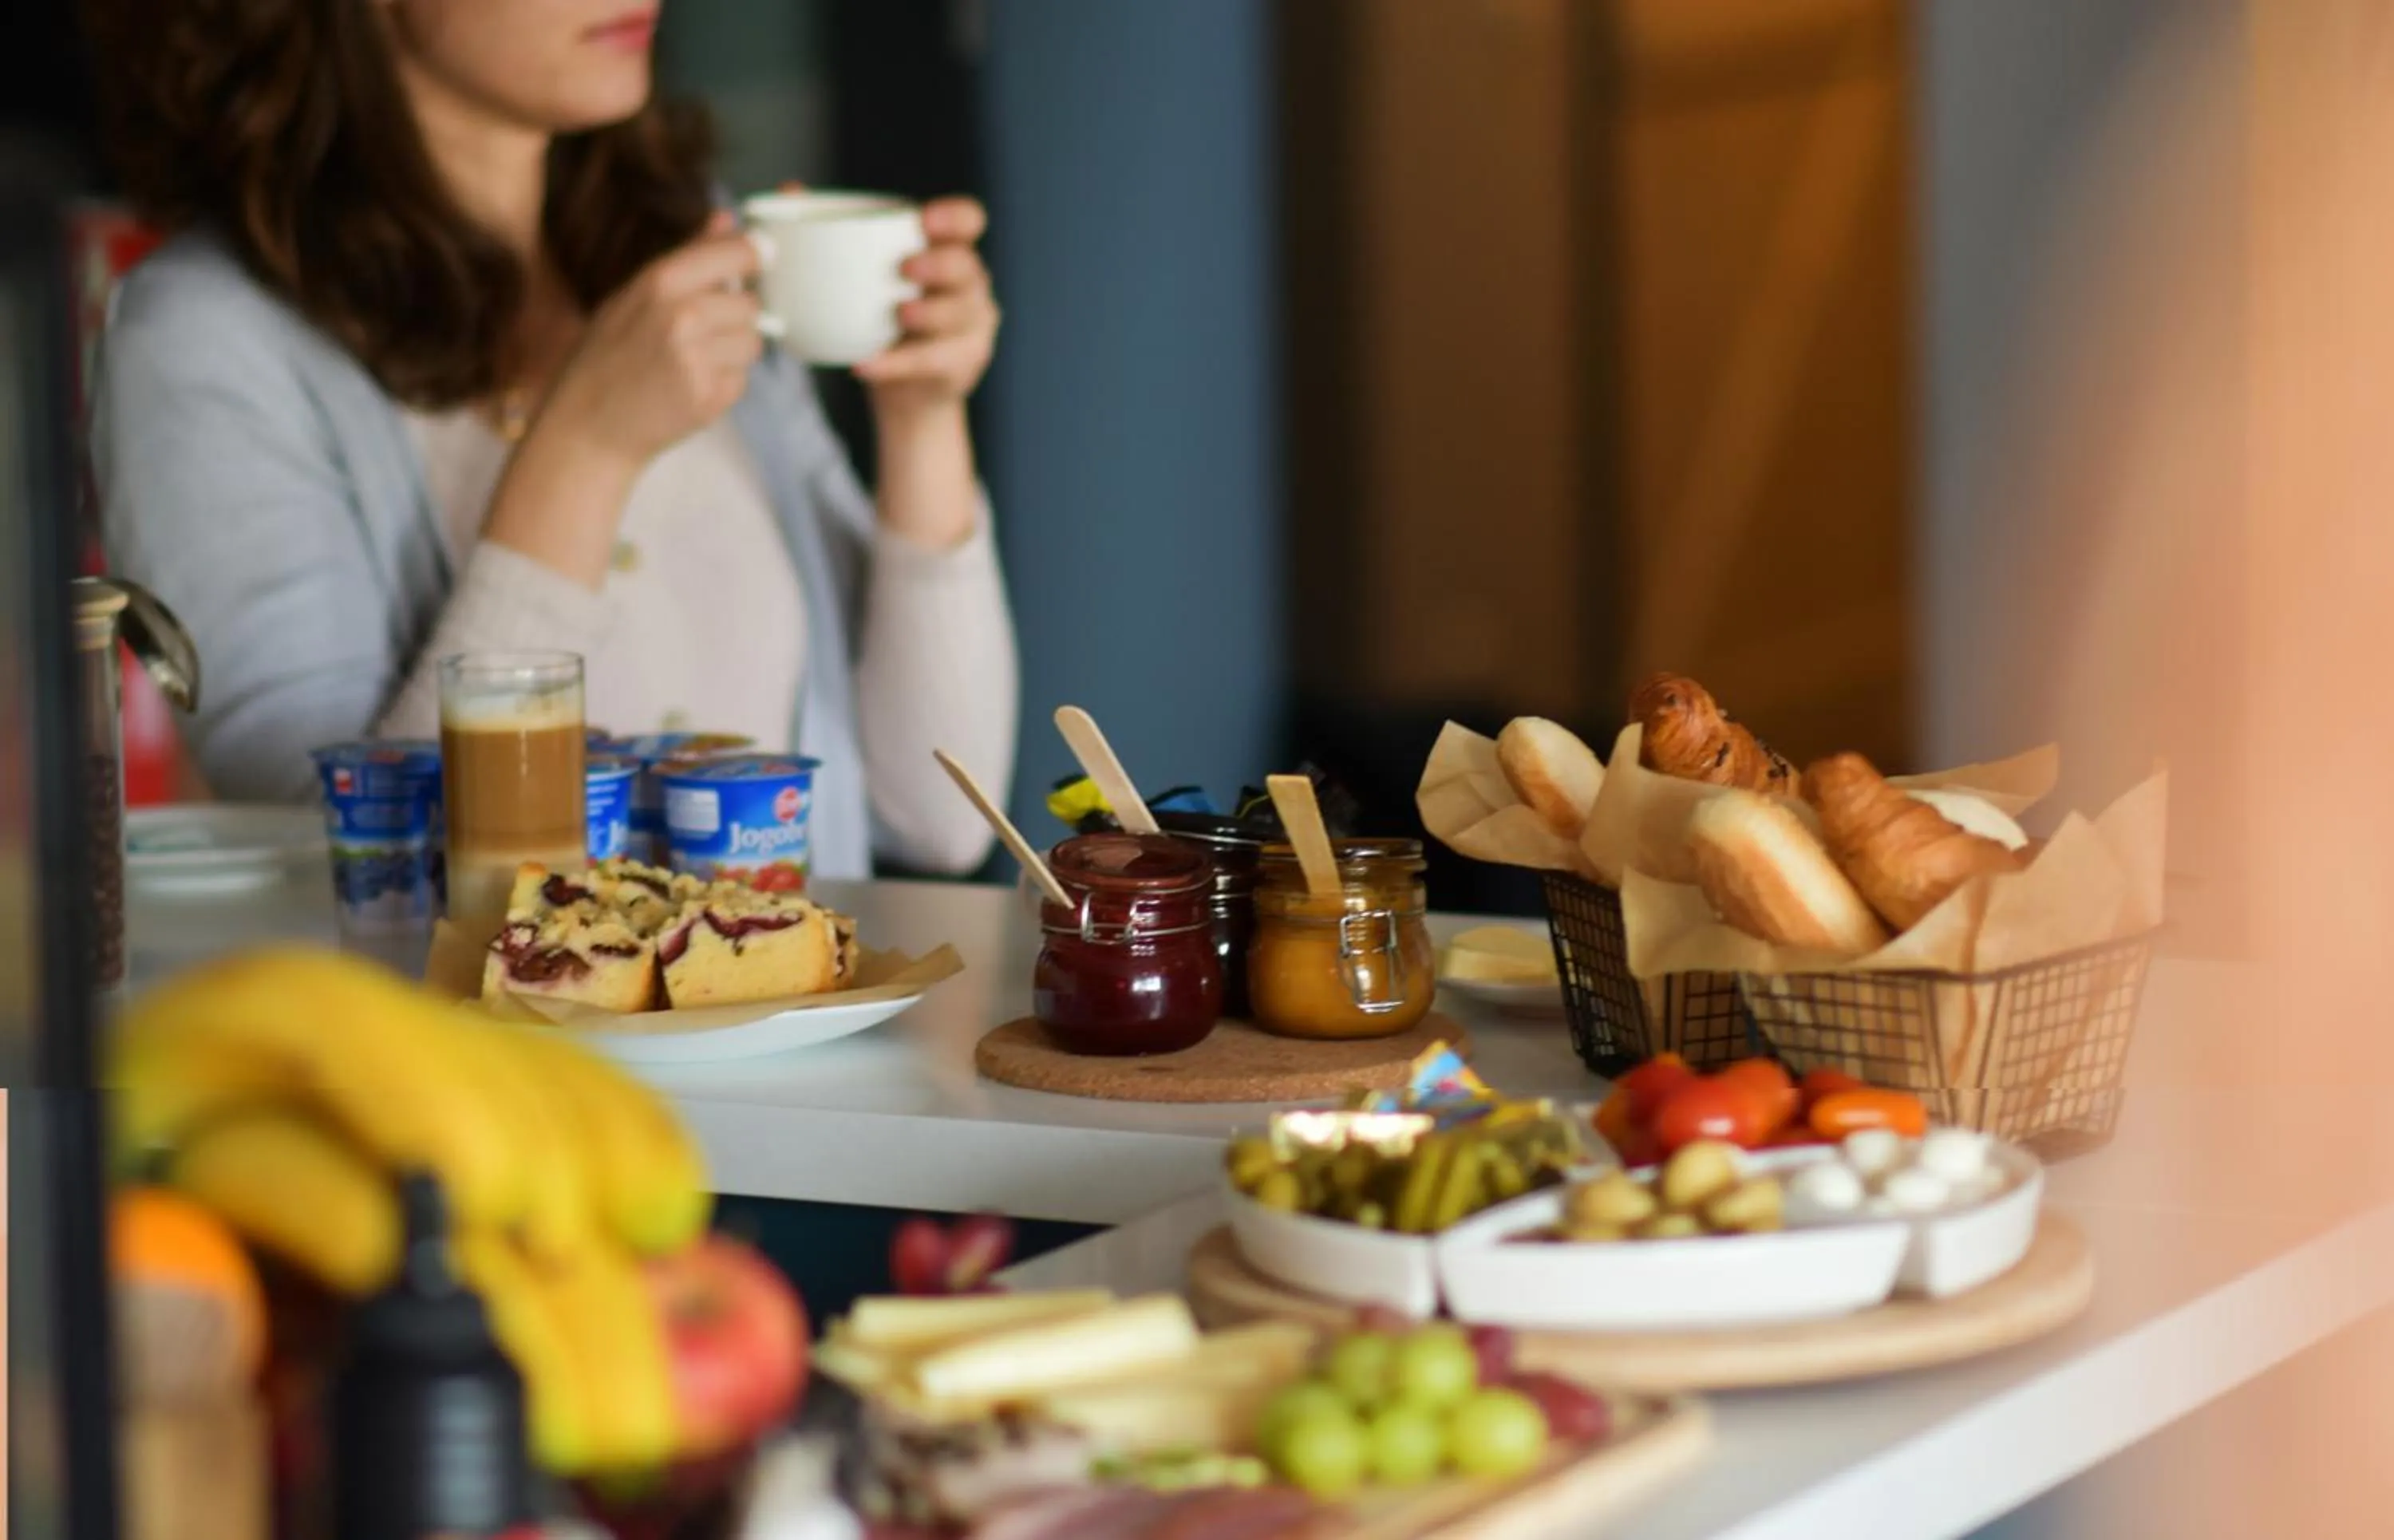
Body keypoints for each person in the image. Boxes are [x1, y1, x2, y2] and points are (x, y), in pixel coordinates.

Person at [80, 0, 1018, 879]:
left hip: (803, 1046)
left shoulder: (675, 248)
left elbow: (942, 813)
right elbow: (345, 875)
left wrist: (921, 415)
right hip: (482, 1061)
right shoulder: (202, 337)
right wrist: (586, 455)